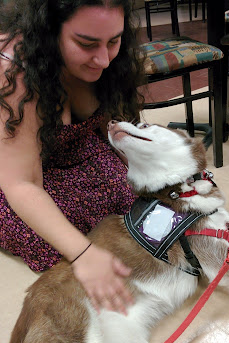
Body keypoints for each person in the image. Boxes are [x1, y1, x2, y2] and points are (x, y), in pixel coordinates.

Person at [0, 0, 146, 315]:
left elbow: (108, 127)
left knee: (123, 194)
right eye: (86, 43)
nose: (105, 59)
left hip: (70, 150)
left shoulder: (104, 60)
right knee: (48, 237)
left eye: (114, 41)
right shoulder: (15, 73)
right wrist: (84, 255)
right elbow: (21, 182)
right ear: (50, 32)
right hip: (15, 167)